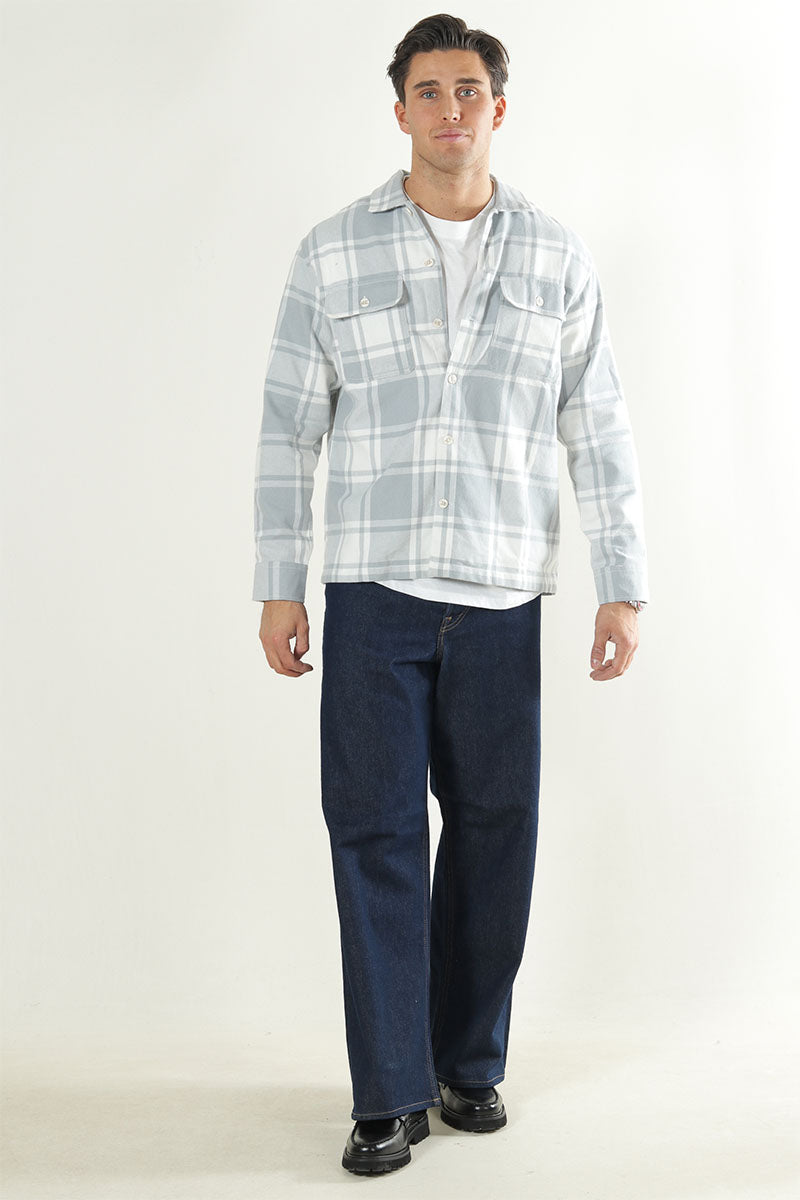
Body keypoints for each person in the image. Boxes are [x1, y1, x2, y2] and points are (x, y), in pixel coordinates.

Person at [252, 13, 649, 1176]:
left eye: (467, 89)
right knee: (373, 834)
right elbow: (287, 428)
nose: (448, 109)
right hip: (369, 592)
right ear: (399, 112)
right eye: (426, 90)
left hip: (500, 593)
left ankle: (467, 1062)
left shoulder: (555, 256)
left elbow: (598, 425)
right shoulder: (332, 252)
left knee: (493, 832)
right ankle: (387, 1093)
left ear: (497, 108)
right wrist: (278, 582)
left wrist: (621, 585)